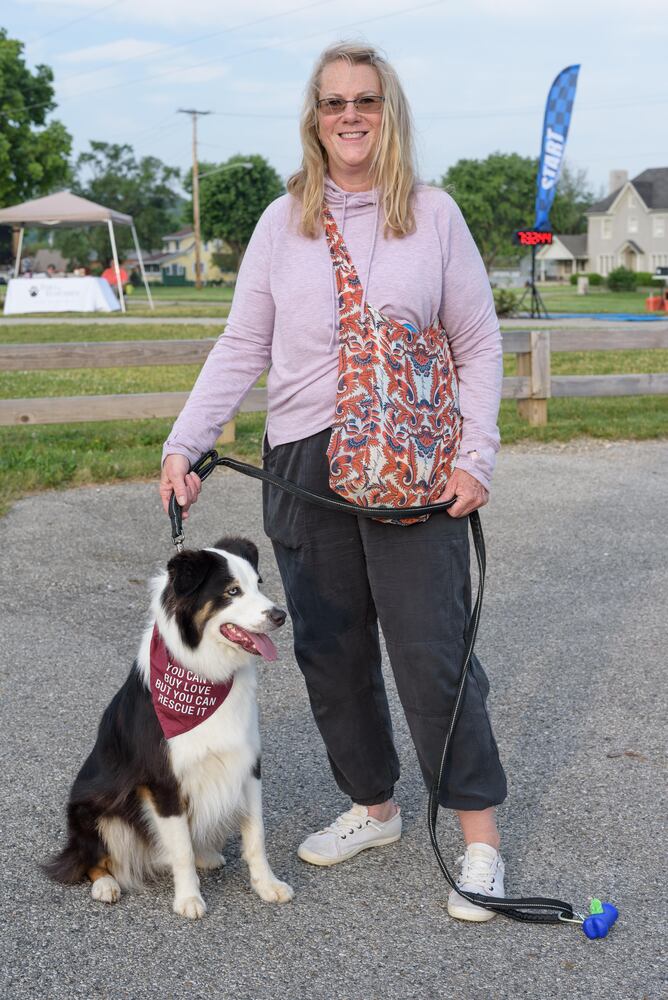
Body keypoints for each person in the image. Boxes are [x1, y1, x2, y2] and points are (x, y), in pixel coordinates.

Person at [160, 41, 508, 923]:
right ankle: (375, 806)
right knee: (329, 649)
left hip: (408, 465)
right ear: (314, 121)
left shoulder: (432, 215)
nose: (350, 116)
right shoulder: (286, 223)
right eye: (333, 103)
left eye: (367, 101)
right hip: (306, 464)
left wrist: (475, 455)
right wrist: (187, 440)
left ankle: (480, 841)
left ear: (390, 114)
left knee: (431, 654)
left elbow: (477, 342)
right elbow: (243, 343)